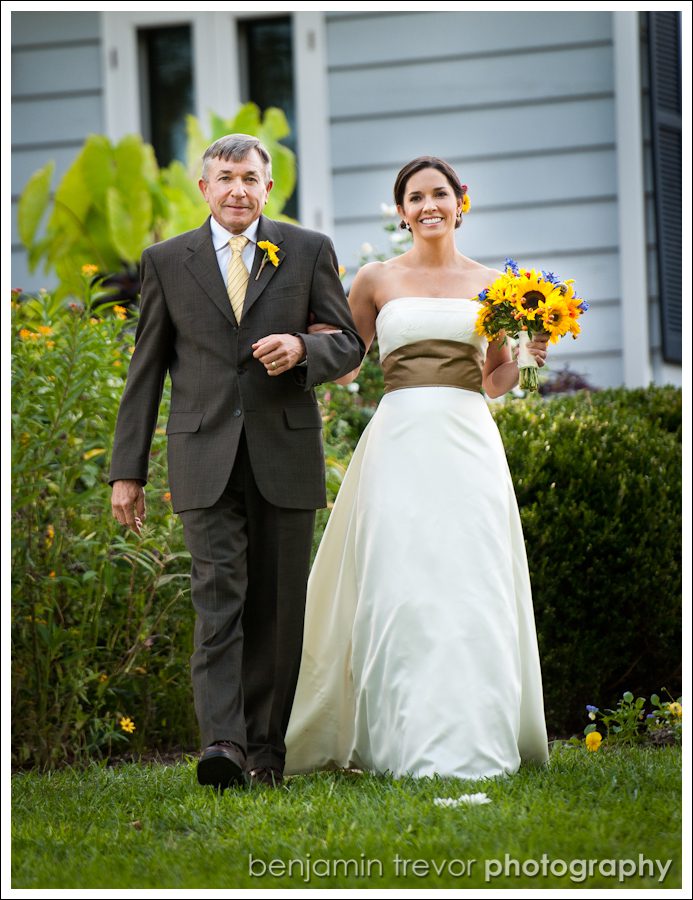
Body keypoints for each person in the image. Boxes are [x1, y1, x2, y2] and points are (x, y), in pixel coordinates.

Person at [109, 134, 364, 790]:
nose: (237, 191)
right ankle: (222, 744)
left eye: (249, 178)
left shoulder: (307, 251)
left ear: (267, 186)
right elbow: (145, 373)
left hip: (284, 450)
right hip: (202, 456)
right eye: (224, 178)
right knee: (217, 598)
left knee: (278, 612)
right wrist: (126, 472)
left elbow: (349, 343)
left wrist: (303, 349)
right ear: (204, 188)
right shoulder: (166, 262)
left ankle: (267, 755)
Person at [284, 156, 550, 779]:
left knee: (470, 581)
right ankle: (394, 736)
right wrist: (299, 343)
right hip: (399, 440)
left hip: (467, 441)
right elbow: (346, 362)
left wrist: (530, 355)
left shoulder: (496, 285)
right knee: (399, 584)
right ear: (400, 211)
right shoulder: (375, 279)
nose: (428, 205)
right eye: (414, 197)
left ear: (462, 200)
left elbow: (494, 379)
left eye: (439, 194)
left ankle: (477, 731)